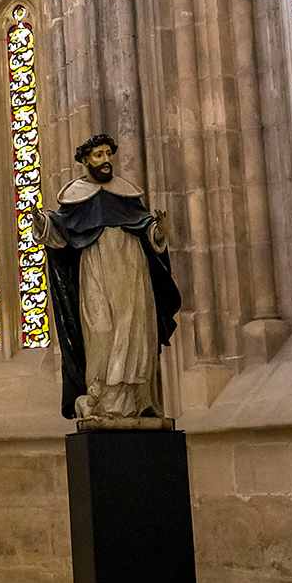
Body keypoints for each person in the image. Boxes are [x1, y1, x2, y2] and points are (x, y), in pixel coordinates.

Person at [37, 134, 181, 420]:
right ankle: (98, 398)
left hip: (132, 272)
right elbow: (63, 234)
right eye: (98, 155)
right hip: (96, 271)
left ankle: (138, 401)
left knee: (136, 333)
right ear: (85, 160)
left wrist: (159, 231)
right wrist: (44, 224)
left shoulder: (125, 194)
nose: (105, 160)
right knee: (101, 332)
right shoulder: (76, 196)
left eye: (108, 154)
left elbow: (145, 230)